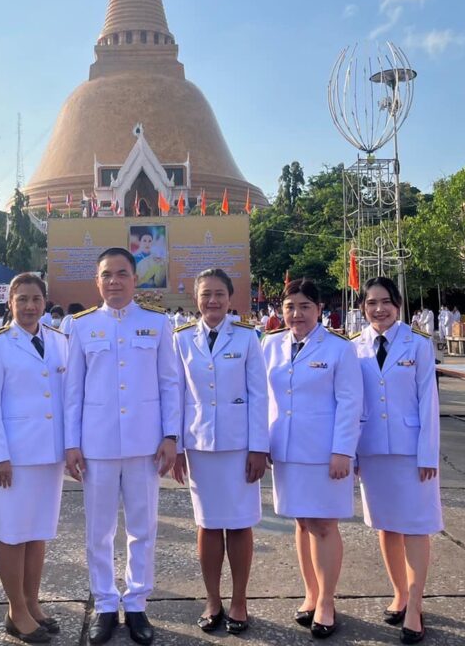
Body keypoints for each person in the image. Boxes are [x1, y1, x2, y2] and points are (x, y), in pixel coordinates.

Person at [63, 247, 181, 646]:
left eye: (121, 273)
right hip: (96, 444)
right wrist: (71, 443)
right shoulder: (80, 326)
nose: (114, 281)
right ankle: (103, 603)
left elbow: (170, 383)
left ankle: (136, 603)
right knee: (99, 531)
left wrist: (171, 436)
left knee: (142, 528)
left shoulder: (157, 323)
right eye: (106, 275)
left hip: (145, 443)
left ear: (135, 278)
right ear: (97, 281)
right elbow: (73, 391)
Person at [261, 278, 363, 639]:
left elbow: (350, 402)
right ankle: (310, 592)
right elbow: (264, 397)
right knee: (302, 522)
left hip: (324, 453)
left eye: (305, 306)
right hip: (286, 449)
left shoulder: (338, 348)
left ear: (319, 309)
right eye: (290, 307)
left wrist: (343, 450)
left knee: (323, 525)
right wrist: (263, 442)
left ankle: (327, 601)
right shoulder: (270, 344)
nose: (297, 314)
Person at [172, 269, 269, 635]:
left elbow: (259, 395)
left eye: (219, 294)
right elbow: (176, 395)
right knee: (209, 525)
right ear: (196, 299)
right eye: (205, 294)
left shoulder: (247, 338)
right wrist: (176, 447)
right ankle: (213, 600)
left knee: (240, 524)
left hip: (239, 446)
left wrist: (259, 447)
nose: (212, 301)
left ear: (230, 298)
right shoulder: (182, 339)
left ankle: (239, 600)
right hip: (199, 446)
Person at [0, 273, 69, 644]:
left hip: (48, 454)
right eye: (22, 300)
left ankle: (32, 602)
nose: (30, 306)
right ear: (10, 303)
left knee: (38, 533)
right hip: (13, 457)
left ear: (45, 302)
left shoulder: (59, 340)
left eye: (36, 299)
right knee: (13, 534)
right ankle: (15, 610)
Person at [352, 277, 442, 645]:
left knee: (416, 526)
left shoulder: (417, 344)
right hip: (372, 449)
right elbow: (352, 403)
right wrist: (352, 453)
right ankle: (400, 594)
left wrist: (428, 453)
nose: (379, 309)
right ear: (363, 308)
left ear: (398, 304)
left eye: (385, 301)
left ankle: (416, 606)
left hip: (410, 450)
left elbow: (428, 401)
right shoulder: (354, 347)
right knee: (386, 526)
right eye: (371, 303)